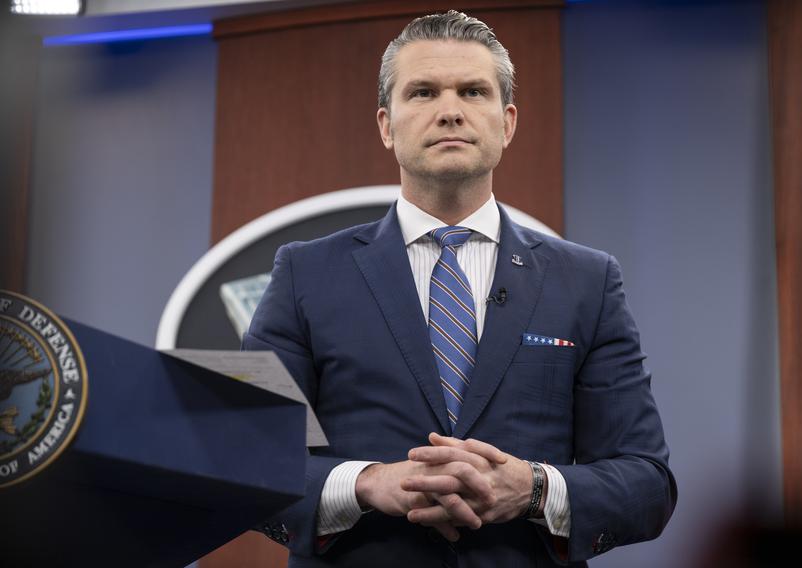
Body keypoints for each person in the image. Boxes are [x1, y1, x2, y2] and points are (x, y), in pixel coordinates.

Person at [244, 10, 676, 567]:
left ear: (508, 121)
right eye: (422, 92)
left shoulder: (588, 283)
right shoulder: (303, 273)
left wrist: (534, 488)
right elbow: (245, 458)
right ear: (385, 124)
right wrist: (365, 484)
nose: (450, 111)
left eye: (473, 91)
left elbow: (647, 482)